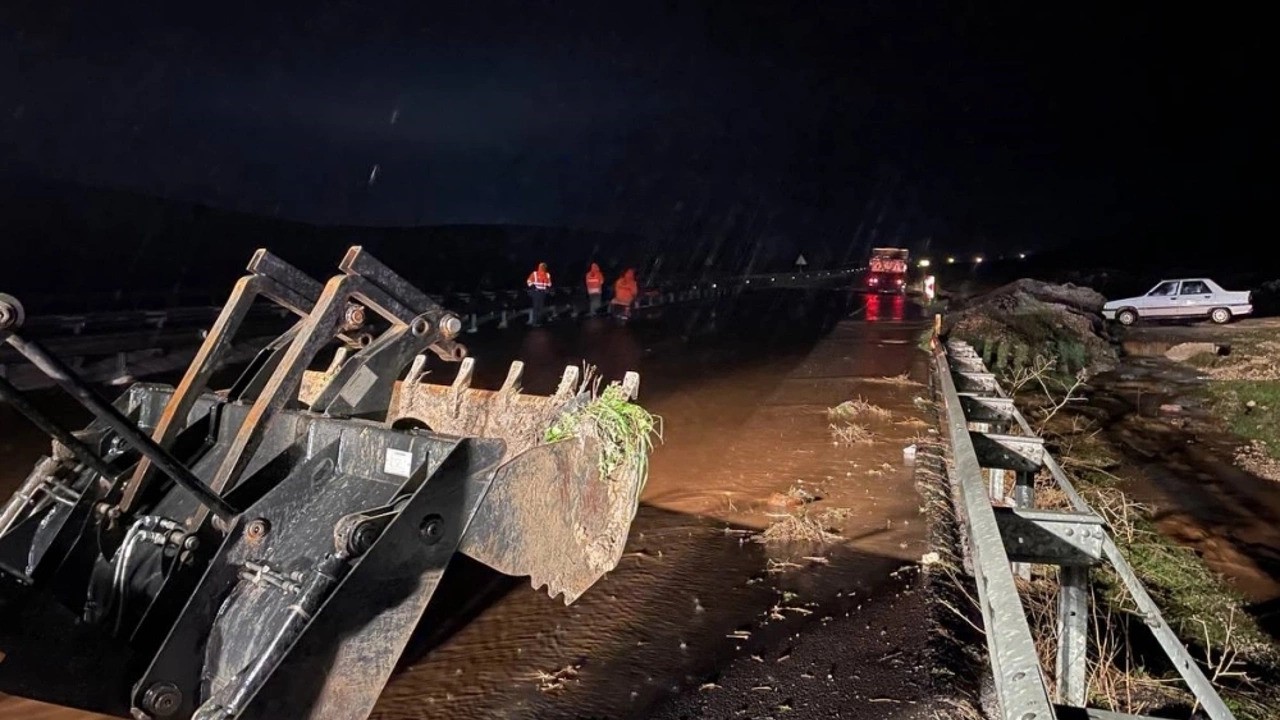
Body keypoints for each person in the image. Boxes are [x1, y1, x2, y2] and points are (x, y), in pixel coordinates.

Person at [526, 262, 552, 326]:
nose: (544, 268)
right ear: (540, 267)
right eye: (542, 266)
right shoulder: (534, 273)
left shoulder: (547, 274)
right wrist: (533, 286)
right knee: (536, 307)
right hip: (536, 293)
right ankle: (534, 322)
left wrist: (547, 288)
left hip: (543, 293)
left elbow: (549, 283)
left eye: (545, 267)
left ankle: (539, 322)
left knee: (541, 308)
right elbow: (528, 281)